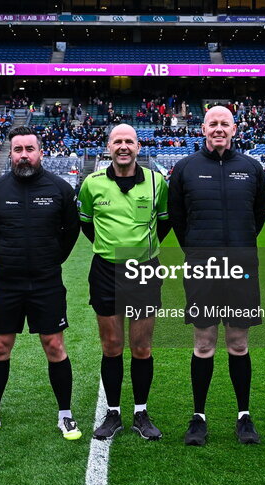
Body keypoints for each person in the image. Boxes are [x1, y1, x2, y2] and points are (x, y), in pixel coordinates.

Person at [0, 126, 83, 441]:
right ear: (11, 154)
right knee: (0, 347)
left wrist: (50, 259)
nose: (23, 155)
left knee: (55, 346)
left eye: (29, 149)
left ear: (40, 152)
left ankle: (65, 415)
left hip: (47, 283)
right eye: (17, 150)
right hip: (7, 284)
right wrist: (8, 257)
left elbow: (71, 232)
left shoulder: (60, 189)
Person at [168, 105, 265, 446]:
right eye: (213, 123)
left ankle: (244, 416)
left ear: (235, 129)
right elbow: (179, 220)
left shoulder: (252, 169)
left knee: (239, 344)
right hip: (202, 269)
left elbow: (257, 216)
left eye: (224, 123)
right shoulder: (185, 169)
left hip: (241, 269)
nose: (218, 128)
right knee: (204, 343)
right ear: (203, 129)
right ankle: (199, 417)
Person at [77, 124, 170, 441]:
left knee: (142, 347)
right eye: (117, 141)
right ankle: (113, 413)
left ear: (138, 146)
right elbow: (87, 225)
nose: (123, 146)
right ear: (109, 146)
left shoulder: (157, 183)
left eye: (129, 141)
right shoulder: (92, 184)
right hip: (106, 270)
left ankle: (141, 413)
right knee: (112, 346)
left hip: (144, 270)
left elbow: (165, 222)